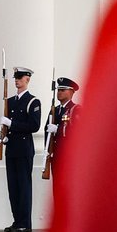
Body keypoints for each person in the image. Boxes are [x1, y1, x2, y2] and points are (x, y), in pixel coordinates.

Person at [0, 66, 40, 232]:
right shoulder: (9, 101)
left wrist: (12, 124)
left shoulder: (33, 101)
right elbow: (7, 126)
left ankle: (25, 223)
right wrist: (4, 135)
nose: (17, 80)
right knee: (13, 187)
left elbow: (34, 125)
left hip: (24, 149)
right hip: (12, 149)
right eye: (15, 77)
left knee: (23, 186)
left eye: (20, 77)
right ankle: (17, 221)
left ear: (27, 79)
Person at [45, 76, 80, 204]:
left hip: (68, 156)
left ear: (71, 92)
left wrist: (58, 129)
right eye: (58, 90)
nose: (59, 92)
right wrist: (47, 151)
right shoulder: (54, 110)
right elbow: (46, 131)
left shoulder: (75, 110)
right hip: (55, 156)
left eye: (63, 90)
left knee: (67, 189)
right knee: (57, 188)